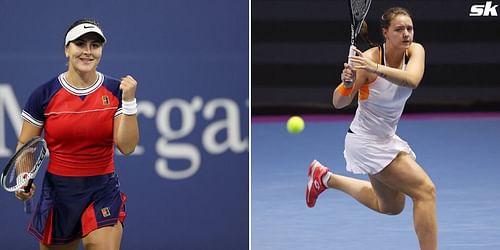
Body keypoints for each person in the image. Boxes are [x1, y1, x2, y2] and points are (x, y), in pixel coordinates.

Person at [305, 7, 437, 250]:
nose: (406, 34)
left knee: (391, 207)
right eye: (399, 29)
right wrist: (347, 84)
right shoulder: (368, 62)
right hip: (365, 142)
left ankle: (325, 178)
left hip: (386, 139)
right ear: (386, 33)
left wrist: (373, 69)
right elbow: (339, 102)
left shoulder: (414, 51)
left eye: (409, 28)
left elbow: (412, 80)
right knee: (425, 191)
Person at [14, 18, 139, 250]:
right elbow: (26, 144)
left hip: (102, 190)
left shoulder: (116, 91)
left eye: (95, 45)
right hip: (59, 193)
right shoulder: (43, 94)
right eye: (80, 44)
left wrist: (129, 102)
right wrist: (23, 178)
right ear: (66, 49)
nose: (88, 51)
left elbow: (127, 147)